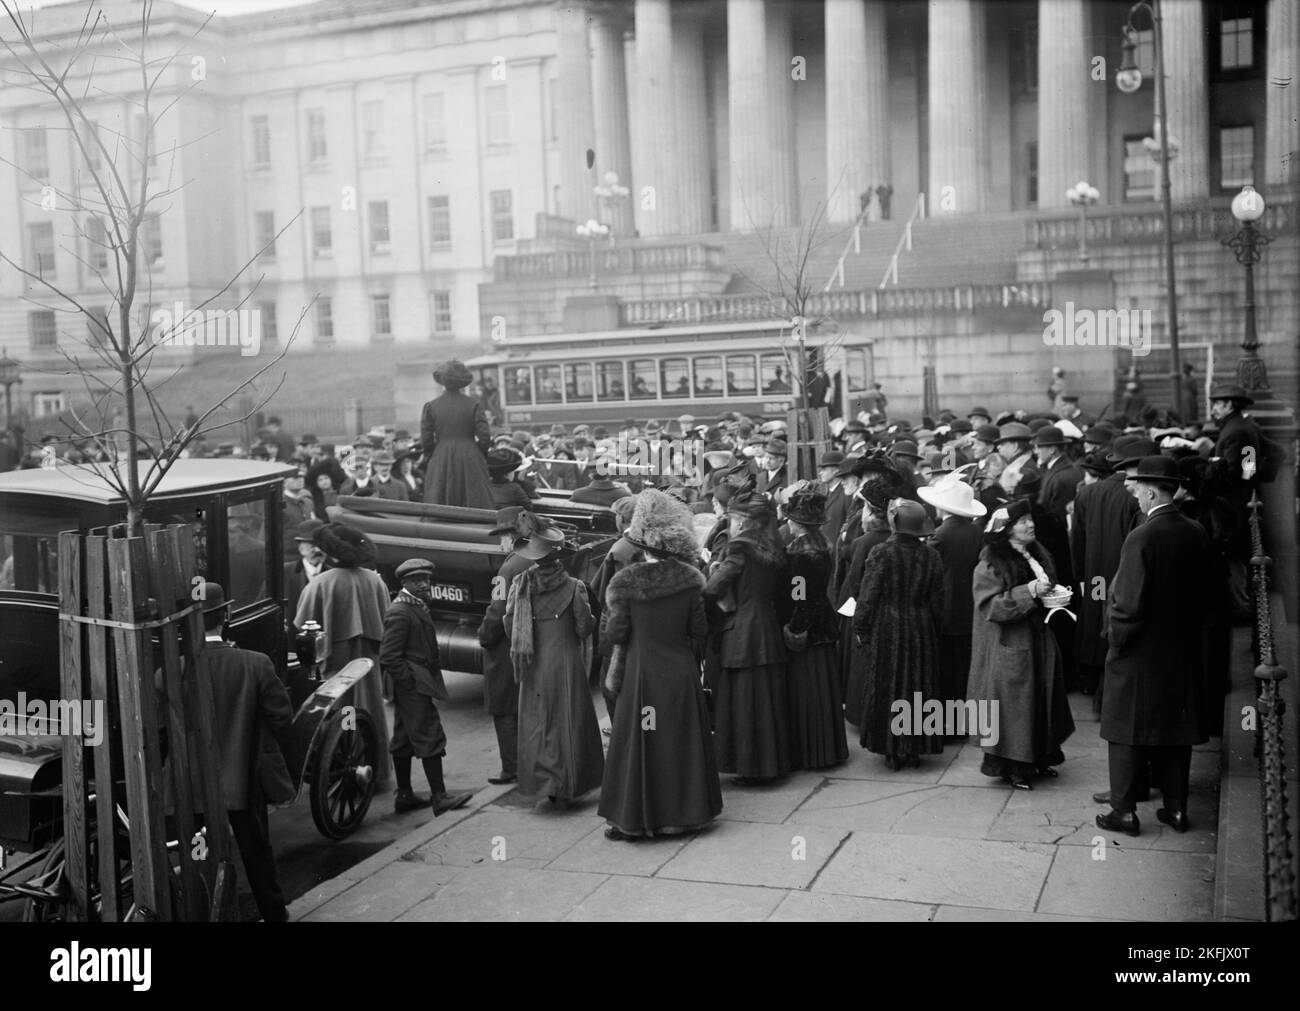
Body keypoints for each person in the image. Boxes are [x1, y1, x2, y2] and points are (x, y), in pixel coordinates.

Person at [1097, 457, 1213, 836]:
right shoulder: (1194, 530)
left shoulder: (1142, 536)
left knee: (1126, 729)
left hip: (1139, 653)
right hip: (1180, 649)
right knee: (1175, 730)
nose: (1134, 496)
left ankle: (1124, 812)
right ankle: (1176, 809)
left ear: (1151, 491)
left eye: (1137, 490)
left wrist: (1115, 641)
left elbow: (1128, 604)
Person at [598, 490, 722, 840]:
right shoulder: (691, 581)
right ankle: (686, 815)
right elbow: (699, 630)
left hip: (642, 675)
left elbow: (615, 633)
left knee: (642, 744)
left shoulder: (625, 583)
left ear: (644, 547)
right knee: (679, 742)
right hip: (680, 673)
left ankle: (638, 818)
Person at [192, 582, 294, 922]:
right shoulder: (256, 664)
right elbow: (282, 720)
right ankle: (274, 915)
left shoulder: (175, 668)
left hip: (194, 783)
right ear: (227, 616)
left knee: (197, 855)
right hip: (243, 780)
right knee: (257, 853)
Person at [967, 500, 1075, 789]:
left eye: (1030, 519)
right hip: (1011, 644)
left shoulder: (1037, 553)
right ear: (1007, 530)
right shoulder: (991, 563)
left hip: (1038, 639)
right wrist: (1029, 591)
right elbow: (991, 607)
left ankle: (1040, 758)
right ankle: (1013, 768)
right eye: (1022, 521)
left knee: (1040, 701)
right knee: (1015, 708)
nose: (1030, 524)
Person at [505, 526, 604, 808]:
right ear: (559, 556)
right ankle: (569, 783)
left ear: (534, 558)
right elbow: (585, 626)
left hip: (533, 662)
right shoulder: (574, 586)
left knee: (538, 724)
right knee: (569, 721)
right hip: (566, 662)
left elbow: (509, 625)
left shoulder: (520, 585)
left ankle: (544, 783)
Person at [293, 522, 393, 789]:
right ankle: (377, 769)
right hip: (369, 662)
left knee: (341, 712)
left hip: (336, 664)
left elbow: (302, 627)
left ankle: (341, 767)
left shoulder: (320, 585)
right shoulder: (375, 580)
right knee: (370, 709)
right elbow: (387, 622)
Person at [704, 492, 791, 784]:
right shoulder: (774, 543)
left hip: (741, 630)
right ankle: (770, 764)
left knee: (743, 702)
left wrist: (711, 571)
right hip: (766, 625)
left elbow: (713, 588)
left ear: (742, 520)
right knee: (766, 700)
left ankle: (749, 768)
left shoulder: (739, 546)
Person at [853, 498, 944, 770]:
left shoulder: (881, 552)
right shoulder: (931, 555)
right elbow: (938, 599)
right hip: (920, 624)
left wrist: (861, 627)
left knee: (889, 684)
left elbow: (867, 596)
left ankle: (891, 750)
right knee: (917, 685)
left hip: (887, 625)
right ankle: (915, 748)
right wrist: (932, 627)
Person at [380, 559, 474, 815]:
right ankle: (439, 798)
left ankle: (405, 795)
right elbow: (389, 656)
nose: (424, 585)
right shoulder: (401, 611)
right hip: (413, 682)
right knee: (429, 734)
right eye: (417, 581)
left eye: (427, 580)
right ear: (405, 583)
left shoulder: (414, 605)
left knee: (403, 738)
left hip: (413, 680)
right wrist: (410, 682)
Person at [1070, 436, 1147, 696]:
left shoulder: (1088, 493)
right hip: (1119, 571)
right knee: (1111, 619)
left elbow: (1076, 539)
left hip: (1094, 571)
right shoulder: (1134, 497)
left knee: (1092, 616)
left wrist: (1079, 574)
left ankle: (1088, 677)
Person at [780, 488, 849, 770]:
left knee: (808, 691)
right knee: (824, 689)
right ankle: (827, 748)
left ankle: (811, 752)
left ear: (796, 524)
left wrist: (794, 628)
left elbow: (800, 597)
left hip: (808, 627)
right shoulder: (823, 543)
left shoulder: (799, 554)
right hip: (824, 620)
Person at [476, 507, 539, 785]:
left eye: (501, 536)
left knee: (503, 707)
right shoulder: (537, 556)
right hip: (535, 640)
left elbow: (497, 610)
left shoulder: (508, 567)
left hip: (506, 647)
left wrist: (484, 635)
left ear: (509, 537)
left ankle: (511, 768)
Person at [919, 474, 987, 715]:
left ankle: (947, 720)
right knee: (965, 665)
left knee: (946, 667)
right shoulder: (977, 532)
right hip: (970, 605)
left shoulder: (939, 535)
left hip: (946, 608)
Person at [586, 495, 644, 722]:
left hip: (617, 629)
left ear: (622, 519)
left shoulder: (619, 550)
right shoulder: (644, 543)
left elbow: (600, 593)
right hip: (641, 632)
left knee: (611, 690)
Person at [420, 359, 494, 509]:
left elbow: (426, 441)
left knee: (439, 502)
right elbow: (485, 437)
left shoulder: (431, 406)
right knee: (475, 502)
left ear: (442, 382)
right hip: (470, 455)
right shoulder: (474, 404)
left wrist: (434, 454)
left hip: (441, 454)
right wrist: (478, 451)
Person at [284, 519, 326, 620]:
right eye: (312, 545)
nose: (317, 550)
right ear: (300, 547)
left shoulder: (333, 573)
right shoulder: (284, 572)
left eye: (322, 545)